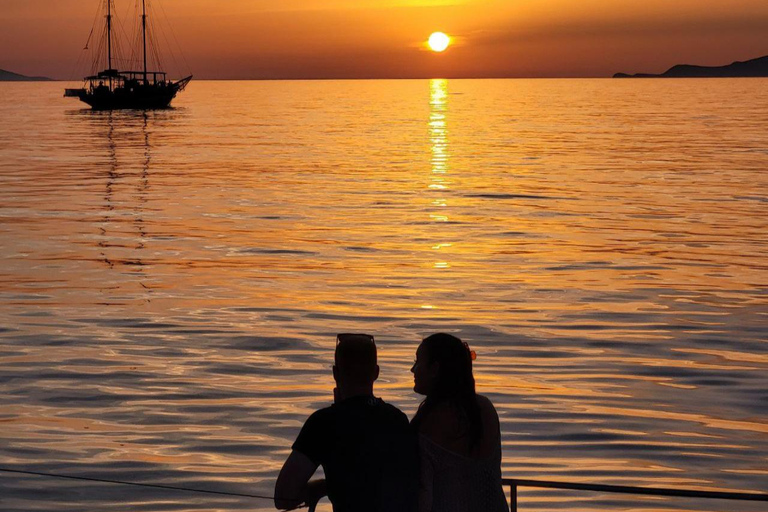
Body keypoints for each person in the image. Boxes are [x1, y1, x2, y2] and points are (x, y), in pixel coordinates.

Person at [275, 333, 418, 512]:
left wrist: (323, 486)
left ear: (335, 373)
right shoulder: (397, 419)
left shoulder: (324, 423)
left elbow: (284, 497)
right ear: (376, 373)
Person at [411, 333, 509, 512]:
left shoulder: (429, 423)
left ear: (434, 369)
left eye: (418, 362)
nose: (412, 369)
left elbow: (423, 495)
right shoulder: (485, 408)